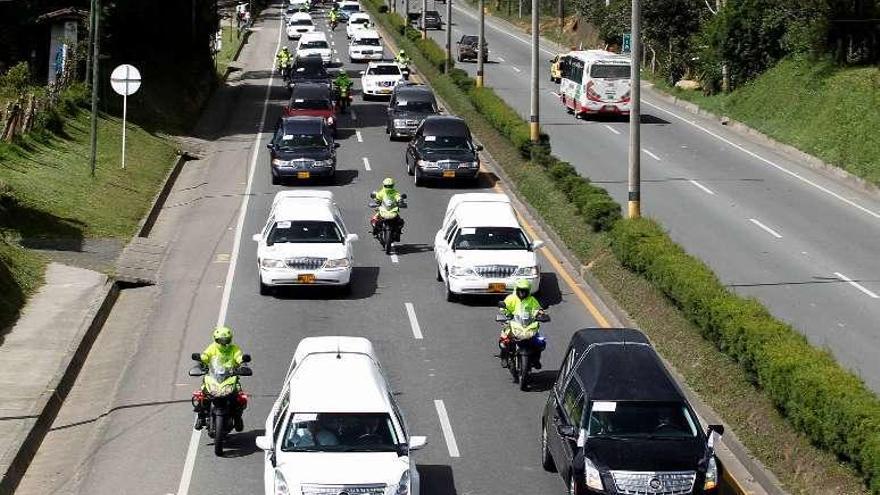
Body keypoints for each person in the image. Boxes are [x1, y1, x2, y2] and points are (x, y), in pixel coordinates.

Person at [193, 326, 247, 430]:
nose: (224, 343)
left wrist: (243, 363)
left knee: (239, 396)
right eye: (221, 341)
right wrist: (200, 360)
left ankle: (237, 417)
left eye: (226, 340)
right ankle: (201, 416)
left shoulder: (234, 348)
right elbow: (205, 355)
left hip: (230, 377)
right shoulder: (212, 347)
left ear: (230, 339)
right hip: (214, 376)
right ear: (216, 339)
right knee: (202, 394)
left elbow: (239, 357)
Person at [498, 279, 546, 369]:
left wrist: (541, 314)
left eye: (524, 291)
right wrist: (505, 312)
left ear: (528, 291)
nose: (522, 293)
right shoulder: (511, 298)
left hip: (528, 325)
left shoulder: (532, 300)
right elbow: (503, 307)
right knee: (504, 340)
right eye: (520, 290)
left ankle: (536, 360)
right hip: (513, 322)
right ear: (517, 289)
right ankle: (504, 357)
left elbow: (537, 309)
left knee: (540, 342)